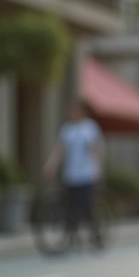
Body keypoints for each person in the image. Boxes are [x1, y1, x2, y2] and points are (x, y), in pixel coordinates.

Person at [42, 100, 105, 250]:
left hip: (86, 174)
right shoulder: (67, 129)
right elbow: (60, 149)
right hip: (71, 174)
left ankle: (95, 234)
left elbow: (95, 149)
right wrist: (51, 166)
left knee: (87, 205)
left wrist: (98, 169)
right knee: (70, 207)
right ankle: (71, 236)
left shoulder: (90, 127)